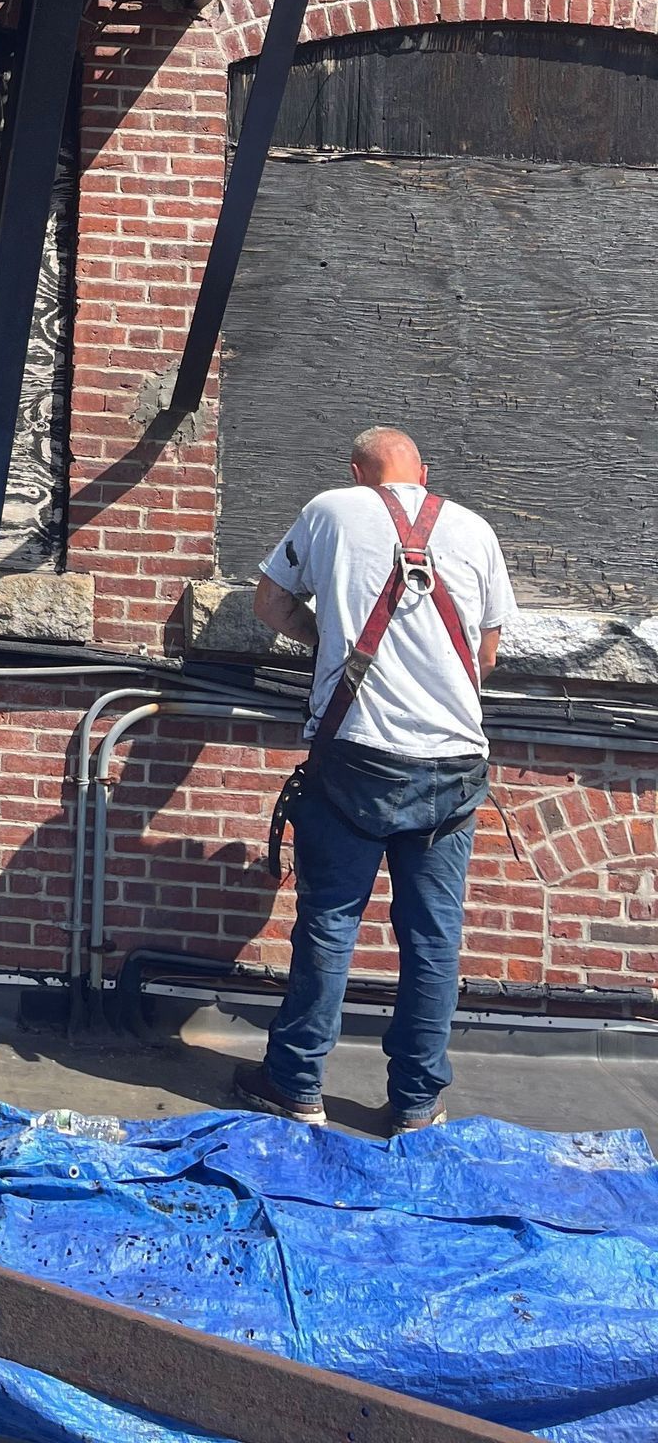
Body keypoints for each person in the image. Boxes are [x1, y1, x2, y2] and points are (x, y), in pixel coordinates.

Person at [232, 425, 515, 1135]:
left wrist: (331, 640)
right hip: (453, 762)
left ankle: (296, 1086)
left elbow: (268, 604)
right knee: (433, 939)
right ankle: (417, 1104)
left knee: (330, 924)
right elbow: (486, 651)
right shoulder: (475, 530)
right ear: (423, 471)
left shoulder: (330, 510)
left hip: (355, 755)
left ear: (357, 473)